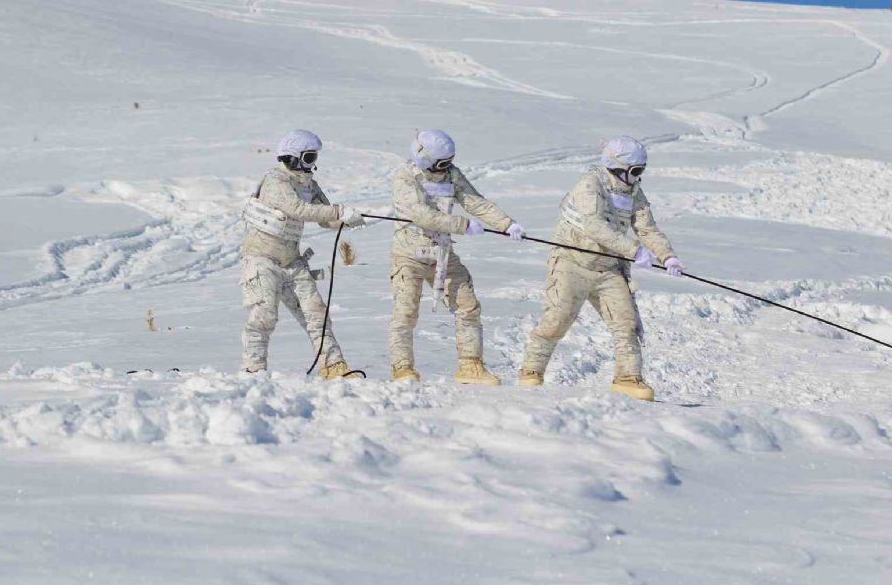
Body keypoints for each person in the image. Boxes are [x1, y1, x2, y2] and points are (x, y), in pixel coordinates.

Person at [518, 136, 684, 401]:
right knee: (558, 319)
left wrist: (667, 256)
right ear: (618, 167)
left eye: (642, 171)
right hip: (572, 263)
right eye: (636, 171)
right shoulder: (590, 186)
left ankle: (628, 378)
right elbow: (595, 227)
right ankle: (531, 371)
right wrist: (634, 251)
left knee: (625, 323)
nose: (639, 177)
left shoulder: (632, 192)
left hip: (608, 268)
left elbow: (646, 227)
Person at [388, 129, 525, 384]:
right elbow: (421, 214)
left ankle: (470, 366)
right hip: (410, 256)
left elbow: (475, 202)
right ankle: (402, 369)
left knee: (468, 306)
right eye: (441, 163)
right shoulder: (405, 178)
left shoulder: (451, 174)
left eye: (449, 161)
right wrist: (462, 226)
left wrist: (507, 224)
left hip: (443, 254)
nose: (446, 168)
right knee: (405, 313)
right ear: (425, 159)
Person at [240, 129, 365, 377]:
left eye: (314, 158)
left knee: (317, 313)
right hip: (262, 260)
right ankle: (253, 370)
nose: (312, 164)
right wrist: (338, 212)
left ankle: (333, 366)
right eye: (308, 158)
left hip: (292, 262)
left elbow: (323, 217)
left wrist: (345, 220)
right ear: (292, 157)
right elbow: (297, 209)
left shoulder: (309, 184)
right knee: (264, 316)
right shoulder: (276, 181)